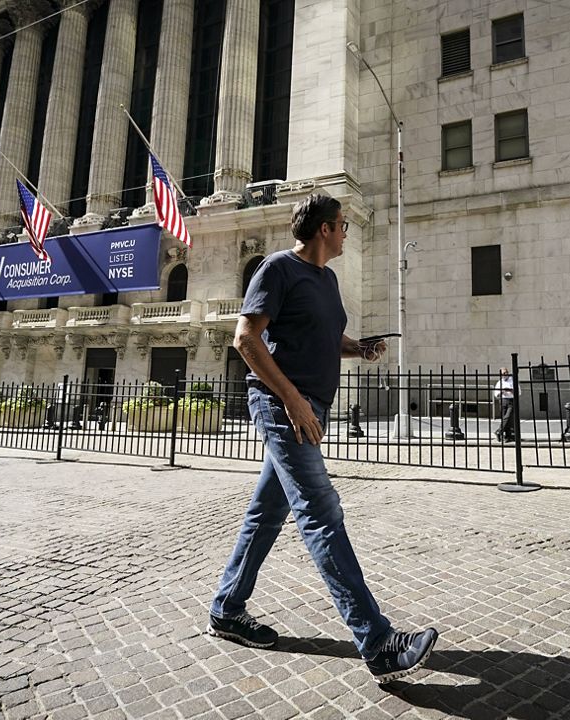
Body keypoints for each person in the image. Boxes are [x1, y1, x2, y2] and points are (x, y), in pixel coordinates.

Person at [207, 194, 439, 684]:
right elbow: (246, 340)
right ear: (325, 230)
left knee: (266, 513)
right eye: (343, 226)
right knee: (321, 512)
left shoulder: (328, 280)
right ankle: (377, 642)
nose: (346, 234)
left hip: (311, 405)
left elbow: (322, 336)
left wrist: (358, 347)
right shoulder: (277, 269)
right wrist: (290, 399)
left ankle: (227, 609)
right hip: (281, 405)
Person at [492, 368, 517, 442]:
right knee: (504, 419)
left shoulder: (512, 381)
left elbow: (518, 392)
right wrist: (501, 392)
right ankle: (506, 436)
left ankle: (499, 431)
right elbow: (496, 394)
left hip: (511, 400)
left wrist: (512, 391)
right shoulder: (499, 383)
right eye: (503, 373)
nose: (504, 375)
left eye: (506, 373)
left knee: (508, 416)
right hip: (503, 401)